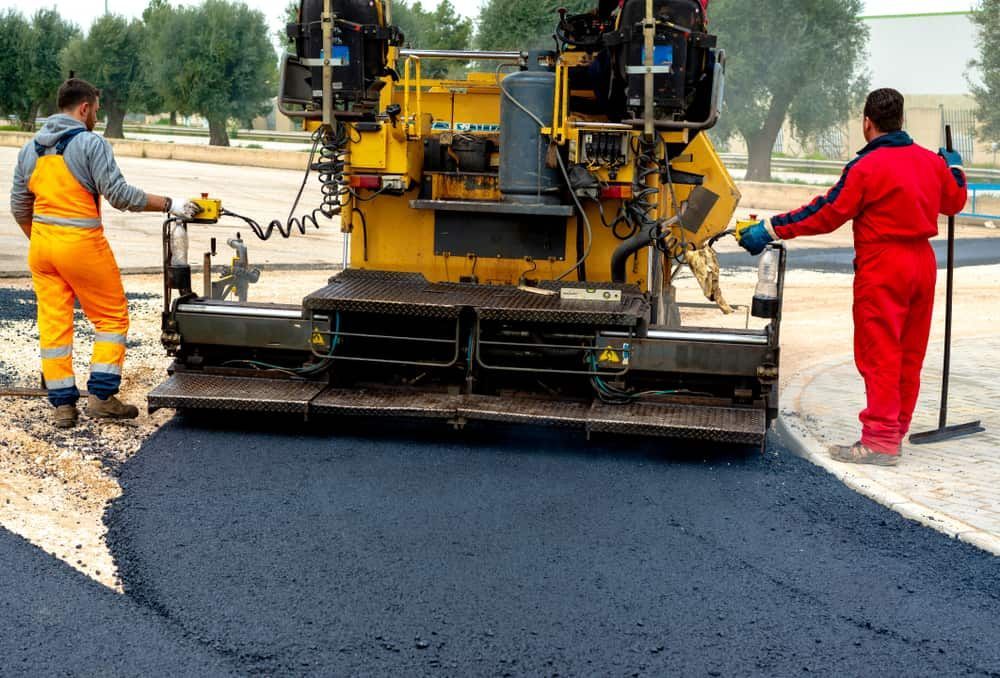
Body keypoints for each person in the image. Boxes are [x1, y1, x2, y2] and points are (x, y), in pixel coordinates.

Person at [737, 88, 968, 466]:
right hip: (923, 266)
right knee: (910, 353)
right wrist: (955, 168)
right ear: (901, 121)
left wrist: (771, 228)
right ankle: (894, 433)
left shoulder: (866, 168)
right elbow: (954, 201)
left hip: (883, 264)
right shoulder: (930, 163)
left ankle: (878, 442)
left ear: (867, 122)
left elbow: (827, 213)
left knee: (880, 354)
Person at [9, 78, 200, 429]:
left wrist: (40, 238)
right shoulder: (89, 144)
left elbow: (20, 206)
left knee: (54, 324)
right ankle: (101, 396)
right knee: (111, 317)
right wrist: (170, 204)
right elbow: (120, 194)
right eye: (96, 109)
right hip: (81, 246)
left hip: (41, 249)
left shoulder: (30, 148)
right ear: (84, 108)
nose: (96, 115)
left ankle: (63, 406)